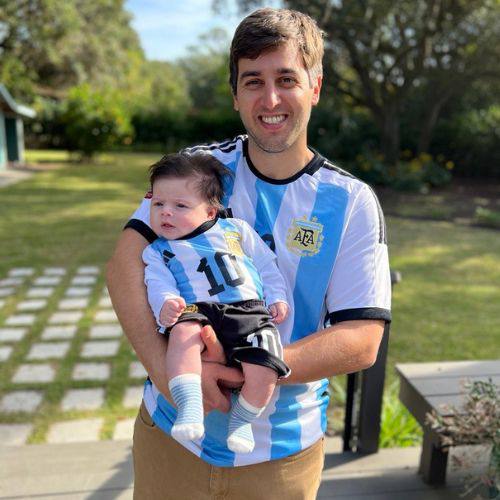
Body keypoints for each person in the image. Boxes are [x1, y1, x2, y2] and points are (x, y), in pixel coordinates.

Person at [107, 7, 391, 499]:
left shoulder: (351, 203)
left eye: (287, 78)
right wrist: (168, 370)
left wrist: (248, 370)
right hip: (173, 438)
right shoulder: (195, 170)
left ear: (315, 87)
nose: (271, 98)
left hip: (282, 454)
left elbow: (361, 339)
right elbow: (123, 267)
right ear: (235, 93)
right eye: (253, 81)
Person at [142, 151, 290, 454]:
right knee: (183, 336)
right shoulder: (159, 250)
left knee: (265, 367)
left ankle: (243, 419)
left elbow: (266, 265)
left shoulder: (236, 230)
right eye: (158, 204)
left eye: (180, 205)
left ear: (211, 212)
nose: (165, 213)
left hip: (248, 309)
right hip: (198, 309)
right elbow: (156, 283)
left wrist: (277, 296)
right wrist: (166, 303)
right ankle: (190, 406)